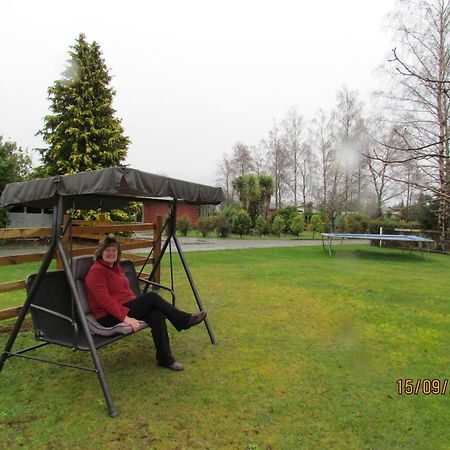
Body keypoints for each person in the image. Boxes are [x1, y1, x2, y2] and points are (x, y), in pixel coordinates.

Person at [85, 236, 207, 371]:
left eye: (114, 250)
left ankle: (165, 359)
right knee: (152, 297)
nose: (111, 253)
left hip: (125, 307)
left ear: (118, 253)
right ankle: (184, 320)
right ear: (100, 252)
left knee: (157, 315)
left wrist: (138, 307)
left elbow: (126, 292)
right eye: (107, 250)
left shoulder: (116, 268)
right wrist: (127, 318)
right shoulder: (96, 272)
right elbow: (105, 302)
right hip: (108, 316)